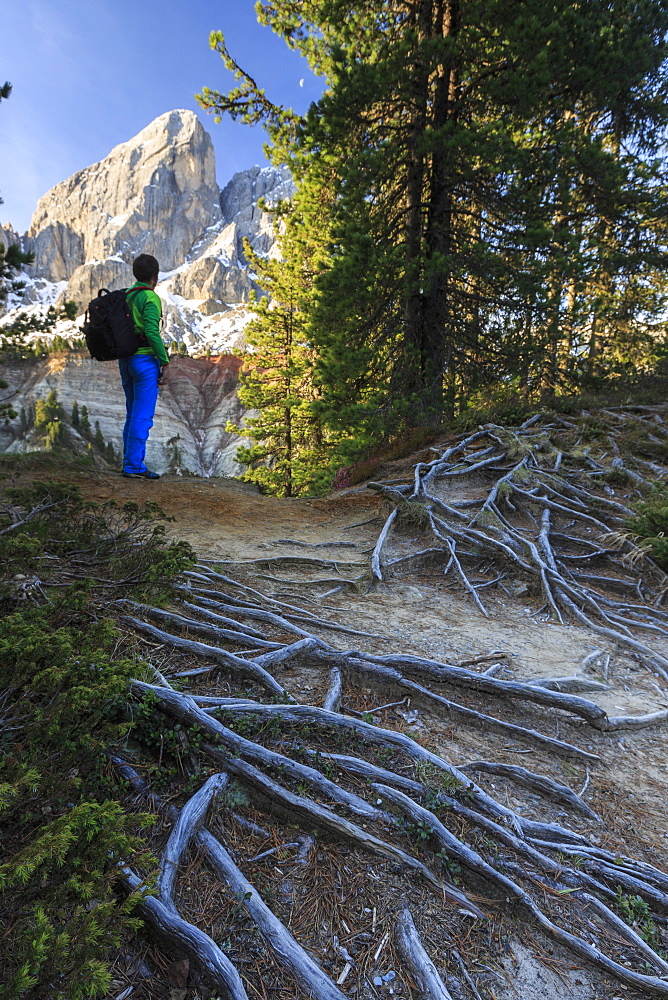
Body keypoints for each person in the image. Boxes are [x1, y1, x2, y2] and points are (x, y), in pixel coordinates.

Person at [119, 253, 170, 479]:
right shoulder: (150, 298)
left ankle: (129, 462)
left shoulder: (127, 296)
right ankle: (134, 466)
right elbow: (151, 332)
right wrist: (164, 360)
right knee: (142, 416)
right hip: (145, 361)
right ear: (155, 276)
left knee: (132, 413)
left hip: (126, 360)